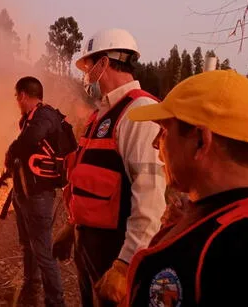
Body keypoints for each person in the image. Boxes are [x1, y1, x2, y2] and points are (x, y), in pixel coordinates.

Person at [52, 28, 167, 306]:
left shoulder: (140, 112)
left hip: (116, 255)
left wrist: (125, 266)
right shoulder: (99, 116)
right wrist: (73, 226)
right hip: (90, 253)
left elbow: (150, 200)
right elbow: (88, 179)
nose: (86, 75)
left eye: (88, 66)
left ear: (104, 63)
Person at [123, 69, 248, 306]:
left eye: (163, 131)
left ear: (201, 141)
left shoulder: (219, 253)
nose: (155, 143)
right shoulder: (220, 224)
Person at [3, 76, 66, 307]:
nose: (16, 102)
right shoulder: (29, 119)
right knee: (28, 244)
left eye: (16, 97)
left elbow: (31, 138)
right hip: (25, 193)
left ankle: (55, 301)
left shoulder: (44, 115)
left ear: (22, 95)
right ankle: (31, 288)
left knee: (43, 250)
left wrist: (11, 150)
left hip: (39, 195)